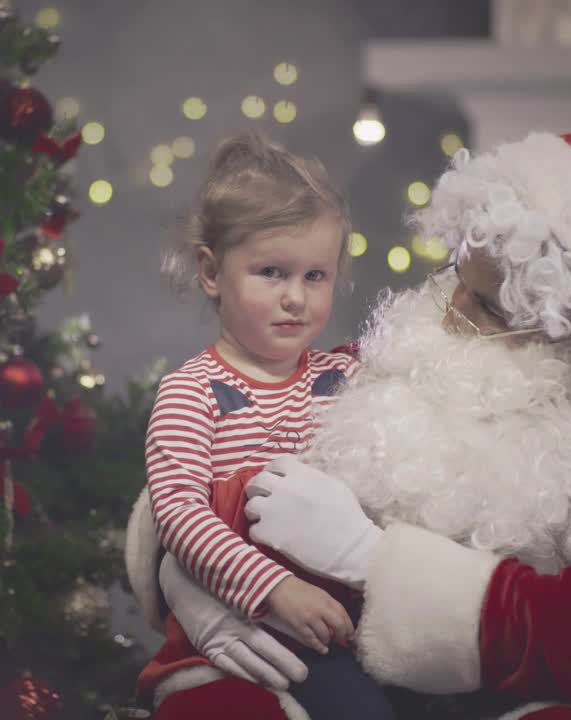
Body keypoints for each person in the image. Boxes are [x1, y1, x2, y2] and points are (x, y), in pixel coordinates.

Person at [125, 131, 571, 720]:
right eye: (458, 275)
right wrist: (199, 591)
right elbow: (200, 473)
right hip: (341, 665)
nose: (449, 311)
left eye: (486, 304)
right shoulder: (411, 352)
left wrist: (367, 558)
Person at [135, 132, 394, 720]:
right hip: (248, 628)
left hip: (354, 624)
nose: (295, 299)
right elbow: (179, 517)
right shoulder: (192, 392)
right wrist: (274, 589)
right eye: (271, 272)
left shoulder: (348, 375)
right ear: (210, 272)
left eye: (315, 277)